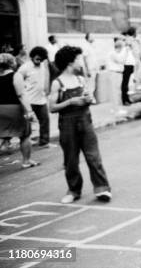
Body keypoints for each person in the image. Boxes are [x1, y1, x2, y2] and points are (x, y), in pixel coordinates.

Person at [48, 46, 111, 204]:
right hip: (68, 123)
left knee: (93, 156)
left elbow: (90, 98)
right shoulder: (57, 83)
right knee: (71, 159)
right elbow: (52, 107)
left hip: (85, 120)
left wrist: (89, 98)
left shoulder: (80, 79)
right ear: (70, 62)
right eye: (78, 59)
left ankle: (102, 188)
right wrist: (70, 101)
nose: (81, 62)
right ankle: (74, 190)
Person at [0, 53, 38, 168]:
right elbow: (21, 94)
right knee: (25, 135)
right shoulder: (16, 76)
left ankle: (6, 144)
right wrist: (30, 111)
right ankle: (26, 161)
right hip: (14, 109)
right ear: (12, 63)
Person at [15, 47, 50, 148]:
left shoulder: (43, 66)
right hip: (29, 100)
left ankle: (44, 142)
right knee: (27, 123)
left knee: (45, 121)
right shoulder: (25, 67)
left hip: (41, 99)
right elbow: (17, 81)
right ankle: (27, 142)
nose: (39, 61)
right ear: (32, 56)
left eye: (41, 59)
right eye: (37, 59)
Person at [122, 27, 141, 105]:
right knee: (126, 82)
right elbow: (132, 51)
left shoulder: (135, 40)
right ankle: (125, 99)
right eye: (136, 32)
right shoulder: (128, 40)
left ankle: (128, 98)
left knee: (130, 81)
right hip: (128, 63)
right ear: (133, 33)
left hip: (134, 63)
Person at [107, 37, 127, 113]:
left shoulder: (113, 53)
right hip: (115, 73)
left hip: (116, 74)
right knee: (116, 92)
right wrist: (125, 52)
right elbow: (121, 60)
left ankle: (114, 108)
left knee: (115, 92)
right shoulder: (113, 53)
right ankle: (117, 109)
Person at [82, 33, 99, 102]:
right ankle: (90, 99)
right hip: (90, 68)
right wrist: (87, 70)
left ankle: (91, 98)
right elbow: (84, 58)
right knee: (90, 85)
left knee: (93, 84)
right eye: (91, 36)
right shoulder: (86, 46)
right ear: (88, 38)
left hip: (94, 68)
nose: (93, 37)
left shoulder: (92, 46)